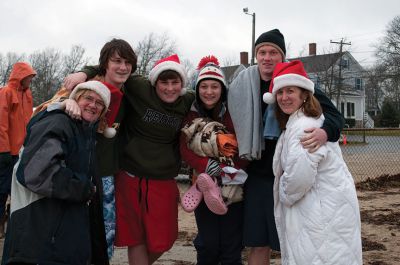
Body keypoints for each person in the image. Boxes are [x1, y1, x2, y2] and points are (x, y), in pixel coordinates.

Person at [63, 54, 195, 265]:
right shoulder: (140, 87)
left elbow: (212, 95)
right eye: (164, 82)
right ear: (154, 82)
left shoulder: (188, 99)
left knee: (166, 239)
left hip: (163, 176)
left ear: (182, 84)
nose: (169, 88)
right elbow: (112, 67)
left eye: (175, 82)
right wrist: (84, 73)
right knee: (136, 238)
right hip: (131, 174)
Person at [227, 29, 345, 264]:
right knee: (258, 242)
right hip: (256, 174)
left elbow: (335, 117)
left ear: (282, 57)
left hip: (287, 174)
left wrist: (325, 132)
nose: (267, 57)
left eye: (273, 52)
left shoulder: (296, 82)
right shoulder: (242, 84)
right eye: (262, 52)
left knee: (294, 243)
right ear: (256, 55)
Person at [34, 38, 137, 263]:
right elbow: (46, 108)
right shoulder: (87, 87)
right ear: (105, 64)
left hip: (106, 174)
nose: (123, 67)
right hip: (76, 173)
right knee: (73, 235)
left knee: (104, 235)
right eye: (117, 61)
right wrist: (65, 103)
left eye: (127, 62)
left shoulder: (129, 93)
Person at [2, 80, 111, 265]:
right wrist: (84, 189)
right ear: (75, 98)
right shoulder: (57, 122)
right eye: (88, 98)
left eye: (99, 103)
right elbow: (36, 172)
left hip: (59, 235)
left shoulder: (85, 132)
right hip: (39, 235)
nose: (93, 105)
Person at [265, 60, 362, 264]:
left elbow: (298, 181)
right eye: (280, 93)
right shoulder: (305, 120)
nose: (284, 97)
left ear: (304, 95)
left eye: (290, 91)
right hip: (327, 208)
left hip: (320, 213)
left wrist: (281, 193)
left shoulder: (304, 127)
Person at [179, 55, 247, 264]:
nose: (209, 92)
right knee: (208, 244)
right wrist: (206, 166)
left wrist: (227, 170)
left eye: (214, 87)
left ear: (222, 89)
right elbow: (183, 147)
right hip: (203, 184)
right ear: (197, 89)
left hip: (233, 186)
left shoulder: (233, 113)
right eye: (204, 86)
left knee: (230, 245)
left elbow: (244, 147)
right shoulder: (191, 113)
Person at [0, 62, 36, 238]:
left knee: (20, 191)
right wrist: (3, 151)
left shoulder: (28, 94)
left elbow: (30, 122)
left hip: (23, 152)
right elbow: (1, 124)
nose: (31, 79)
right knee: (1, 190)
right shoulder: (6, 92)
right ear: (20, 76)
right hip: (7, 153)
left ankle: (15, 225)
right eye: (29, 76)